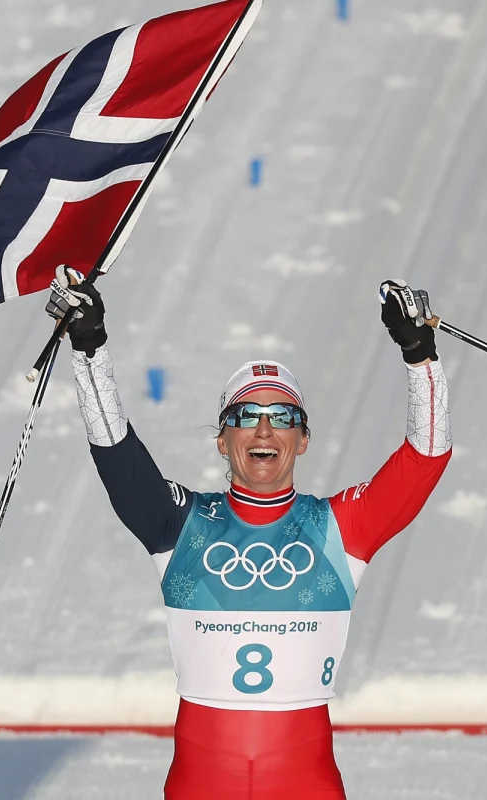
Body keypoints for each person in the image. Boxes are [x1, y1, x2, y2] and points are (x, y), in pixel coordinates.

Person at [46, 269, 452, 799]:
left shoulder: (340, 527)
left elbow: (426, 457)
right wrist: (88, 347)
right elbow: (117, 456)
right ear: (222, 440)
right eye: (246, 415)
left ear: (301, 440)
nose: (264, 429)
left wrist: (421, 356)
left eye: (281, 415)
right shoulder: (180, 525)